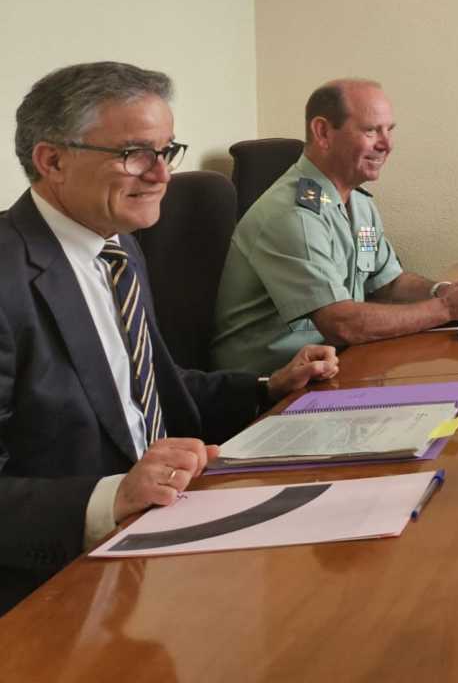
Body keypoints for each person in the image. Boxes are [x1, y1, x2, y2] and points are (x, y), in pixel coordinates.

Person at [0, 62, 338, 614]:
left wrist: (265, 387)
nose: (161, 175)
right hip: (51, 587)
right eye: (134, 153)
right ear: (52, 160)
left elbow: (144, 389)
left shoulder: (118, 246)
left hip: (159, 540)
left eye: (166, 151)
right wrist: (111, 496)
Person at [211, 79, 458, 374]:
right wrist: (446, 308)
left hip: (338, 364)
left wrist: (443, 290)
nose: (387, 145)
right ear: (323, 132)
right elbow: (341, 324)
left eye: (389, 130)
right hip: (269, 388)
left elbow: (387, 282)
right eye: (371, 131)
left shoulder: (360, 205)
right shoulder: (293, 214)